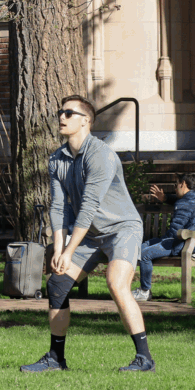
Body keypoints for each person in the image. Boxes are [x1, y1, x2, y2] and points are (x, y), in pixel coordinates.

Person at [22, 95, 155, 373]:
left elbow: (88, 207)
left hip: (122, 229)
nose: (62, 116)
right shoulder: (57, 159)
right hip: (92, 235)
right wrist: (59, 249)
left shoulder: (101, 155)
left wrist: (70, 250)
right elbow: (58, 206)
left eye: (69, 113)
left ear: (86, 121)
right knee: (57, 284)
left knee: (116, 283)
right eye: (60, 112)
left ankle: (144, 359)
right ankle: (56, 359)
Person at [133, 173, 195, 302]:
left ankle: (144, 291)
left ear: (183, 184)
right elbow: (179, 201)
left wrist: (162, 242)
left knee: (145, 254)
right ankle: (143, 290)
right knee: (144, 246)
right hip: (190, 241)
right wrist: (165, 198)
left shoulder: (185, 204)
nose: (175, 189)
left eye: (176, 185)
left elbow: (175, 231)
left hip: (185, 244)